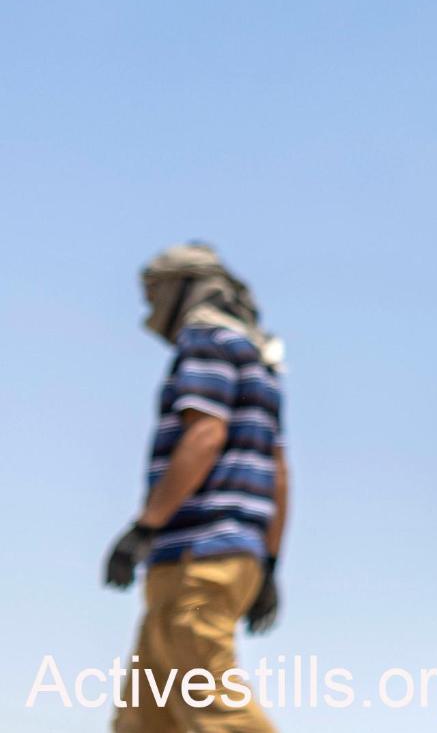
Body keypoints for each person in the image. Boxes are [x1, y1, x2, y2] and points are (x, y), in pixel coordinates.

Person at [104, 243, 287, 732]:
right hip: (231, 557)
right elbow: (278, 470)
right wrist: (269, 564)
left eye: (155, 293)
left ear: (183, 287)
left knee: (217, 708)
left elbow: (205, 434)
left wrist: (145, 527)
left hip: (196, 557)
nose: (150, 308)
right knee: (146, 717)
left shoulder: (207, 341)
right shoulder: (258, 359)